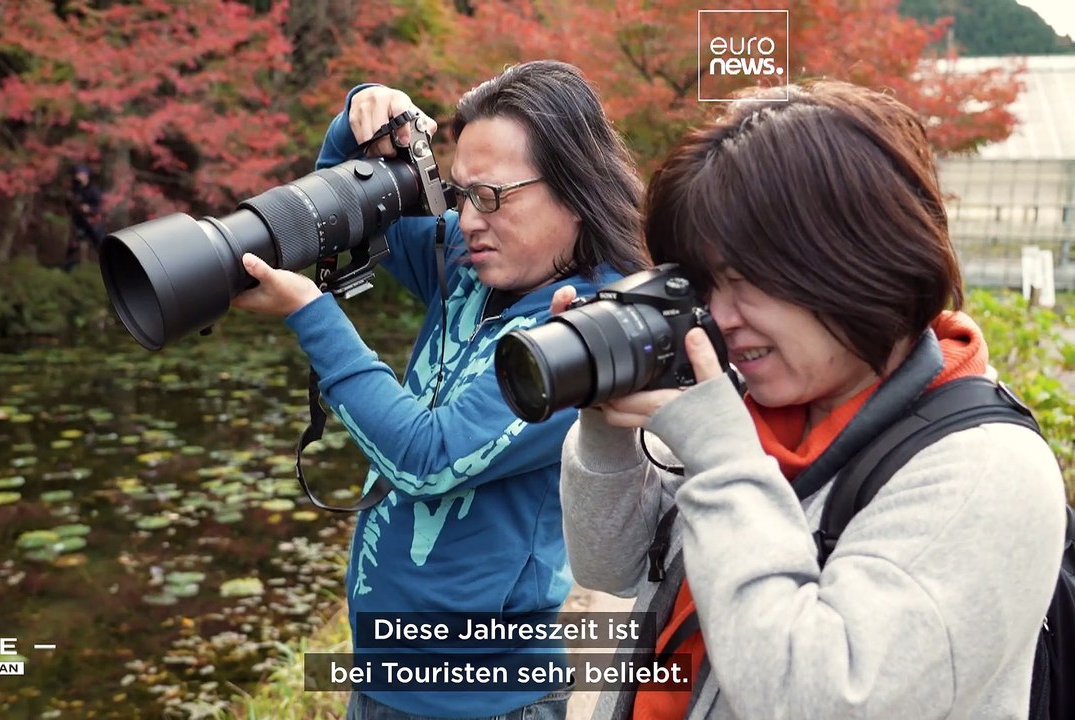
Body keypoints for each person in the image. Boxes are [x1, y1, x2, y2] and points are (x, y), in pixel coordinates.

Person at [558, 80, 1067, 719]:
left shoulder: (985, 471)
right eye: (706, 283)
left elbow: (815, 699)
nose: (718, 316)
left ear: (856, 261)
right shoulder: (748, 402)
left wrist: (721, 459)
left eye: (744, 281)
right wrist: (609, 425)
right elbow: (610, 563)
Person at [232, 60, 646, 718]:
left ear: (574, 187)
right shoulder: (472, 265)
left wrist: (310, 314)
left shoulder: (589, 332)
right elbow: (342, 209)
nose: (468, 219)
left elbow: (429, 459)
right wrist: (360, 121)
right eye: (457, 194)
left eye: (491, 196)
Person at [63, 163, 103, 272]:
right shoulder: (74, 189)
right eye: (76, 174)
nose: (77, 176)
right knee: (74, 245)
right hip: (79, 222)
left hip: (93, 223)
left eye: (80, 173)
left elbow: (100, 207)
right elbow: (68, 205)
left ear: (86, 175)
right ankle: (67, 270)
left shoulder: (93, 190)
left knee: (101, 246)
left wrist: (89, 209)